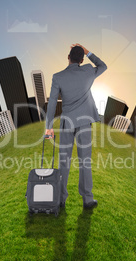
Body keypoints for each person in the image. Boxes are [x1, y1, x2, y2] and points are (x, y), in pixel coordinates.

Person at [45, 43, 107, 209]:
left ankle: (60, 199)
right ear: (81, 59)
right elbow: (103, 66)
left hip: (67, 123)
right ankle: (87, 199)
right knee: (85, 161)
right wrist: (88, 52)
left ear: (68, 58)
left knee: (63, 162)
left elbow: (52, 103)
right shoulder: (88, 70)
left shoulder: (57, 77)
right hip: (84, 122)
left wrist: (48, 127)